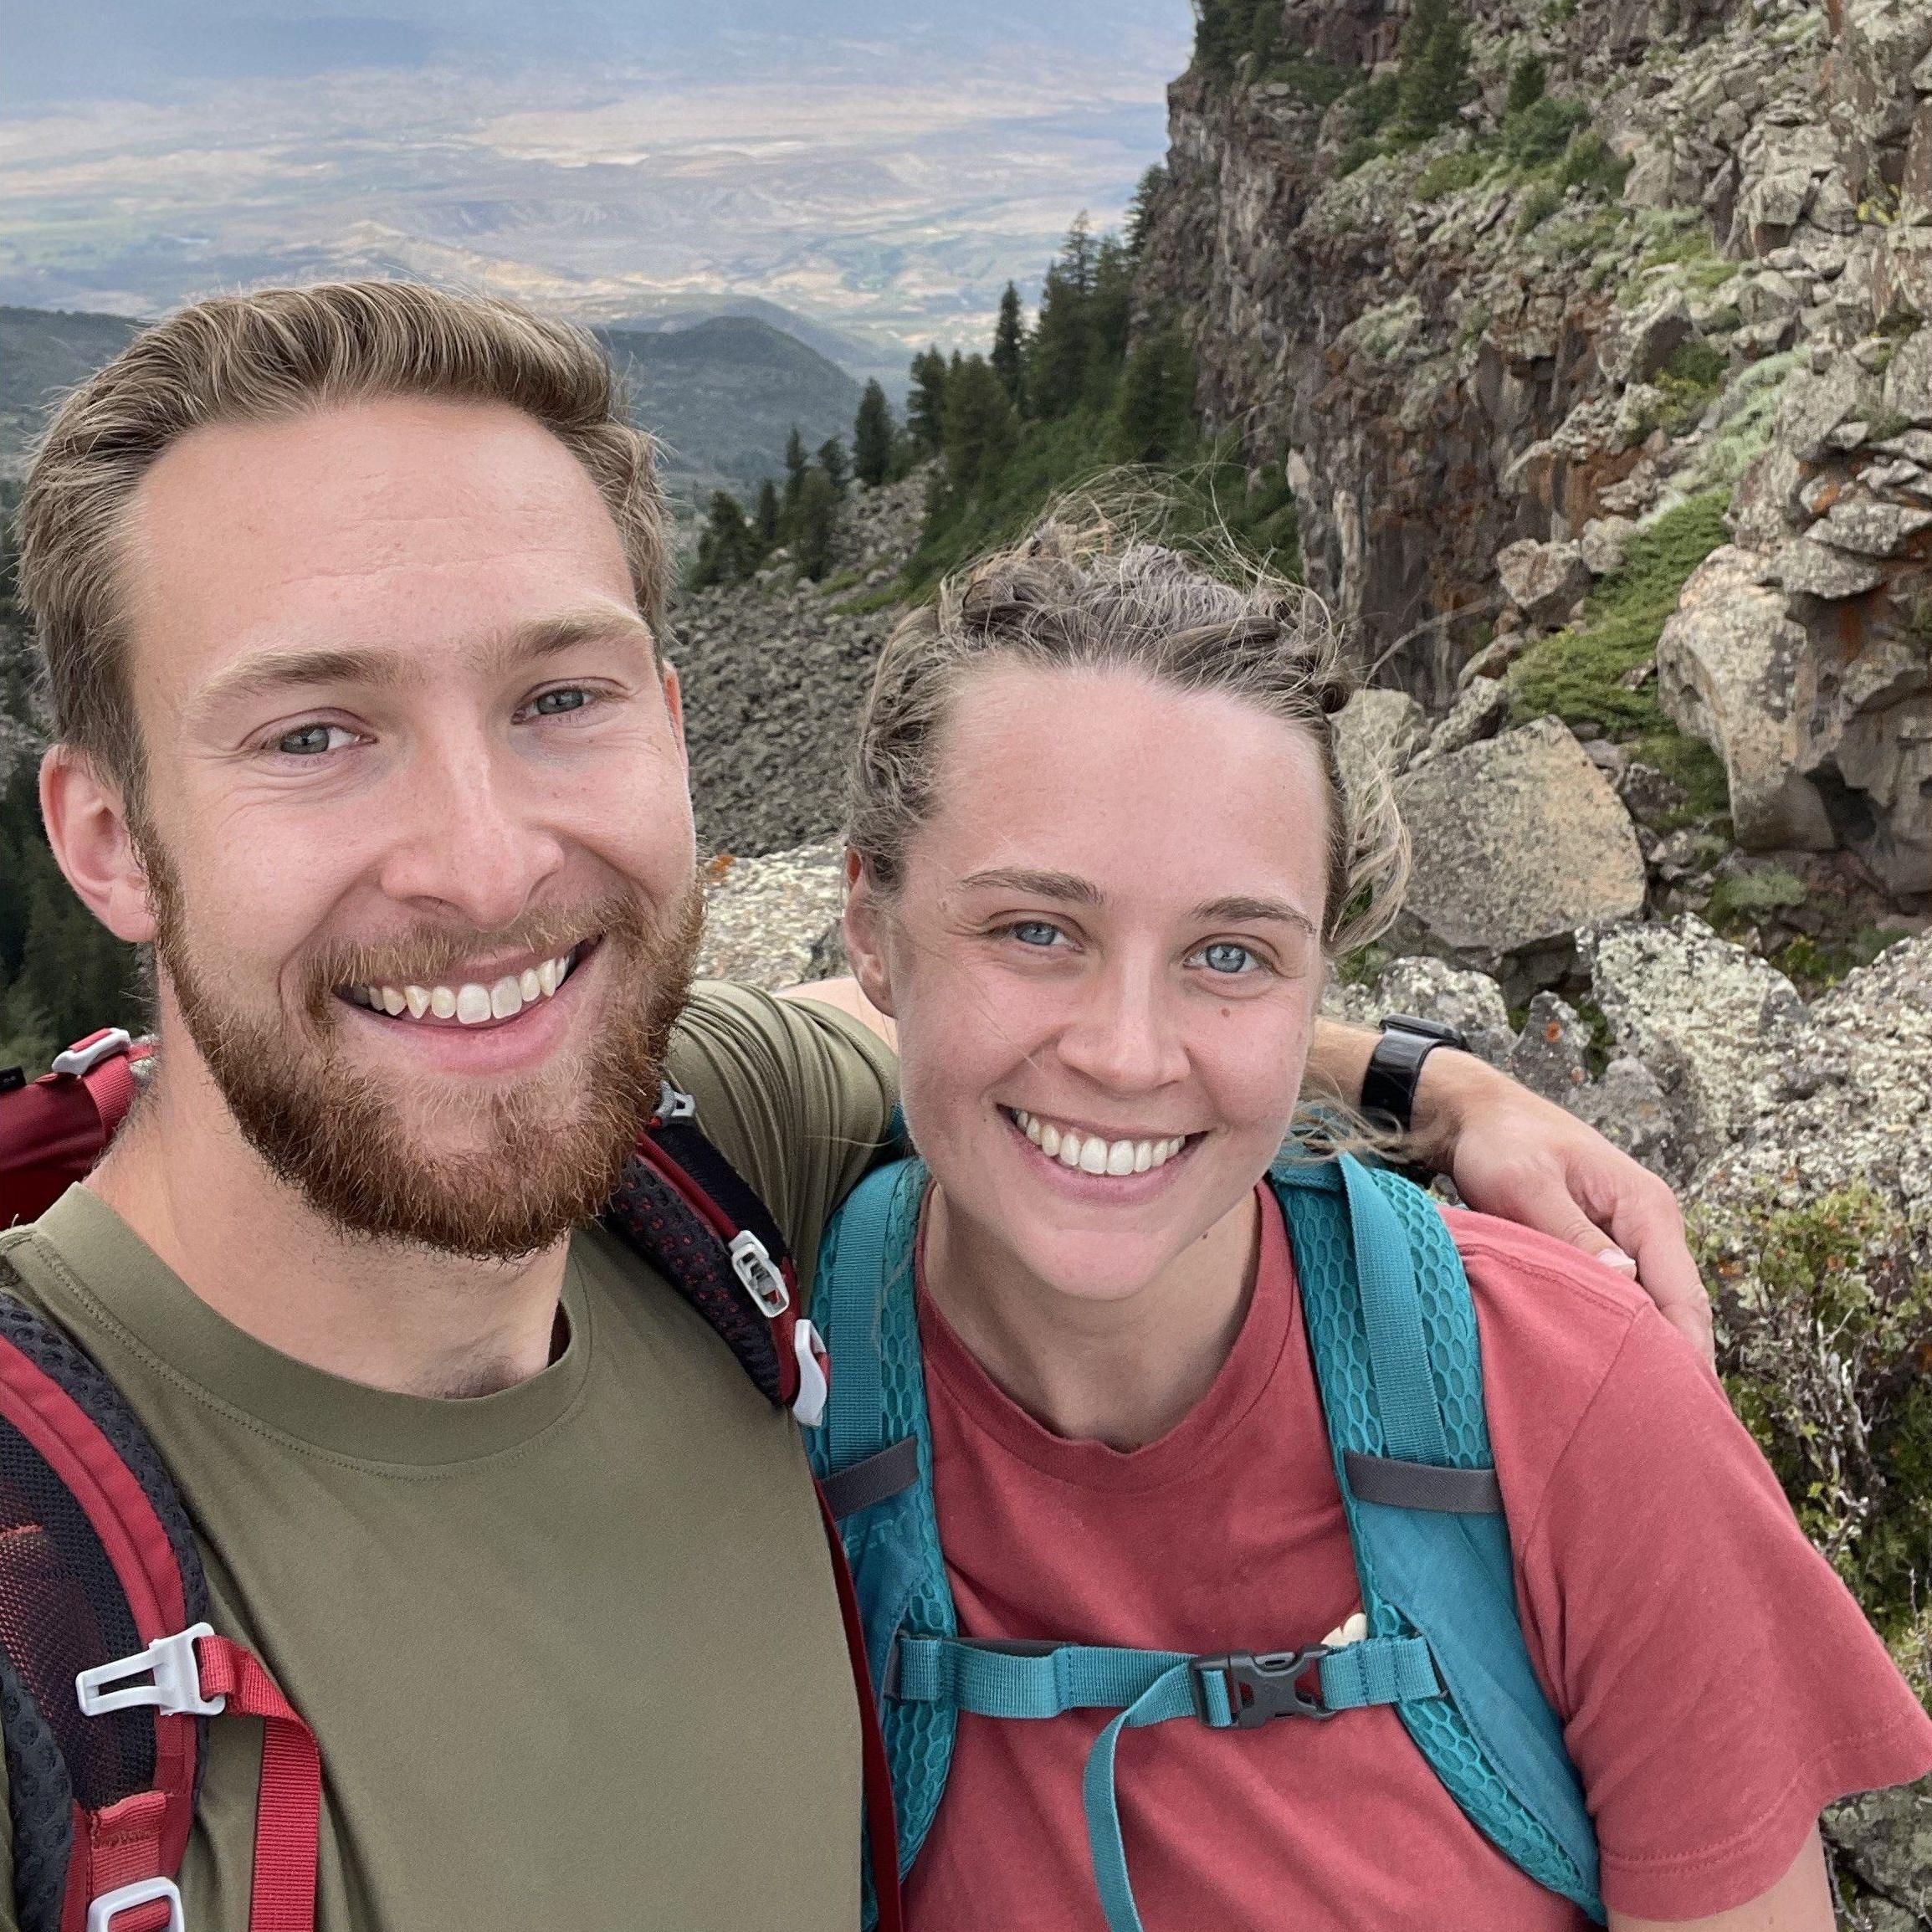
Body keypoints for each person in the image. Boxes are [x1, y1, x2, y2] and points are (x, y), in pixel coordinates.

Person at [5, 279, 1715, 1930]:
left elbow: (1009, 1030)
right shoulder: (37, 1578)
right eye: (313, 734)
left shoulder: (696, 1151)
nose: (484, 863)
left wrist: (1421, 1078)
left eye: (560, 700)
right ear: (105, 837)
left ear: (670, 728)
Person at [786, 522, 1932, 1931]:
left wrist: (1410, 1078)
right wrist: (1427, 1081)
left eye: (1229, 954)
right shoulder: (745, 1369)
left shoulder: (1566, 1400)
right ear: (870, 923)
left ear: (1318, 969)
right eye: (1034, 930)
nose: (1128, 1054)